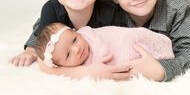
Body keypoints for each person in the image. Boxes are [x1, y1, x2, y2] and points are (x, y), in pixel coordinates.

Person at [36, 22, 175, 68]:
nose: (77, 48)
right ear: (61, 66)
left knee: (139, 37)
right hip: (129, 61)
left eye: (74, 40)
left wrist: (98, 63)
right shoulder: (81, 69)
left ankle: (162, 46)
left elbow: (105, 48)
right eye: (68, 54)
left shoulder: (87, 33)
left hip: (126, 39)